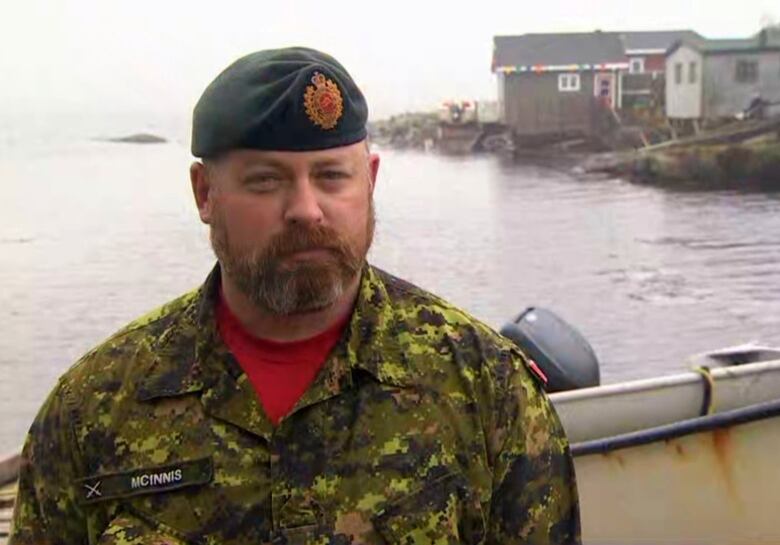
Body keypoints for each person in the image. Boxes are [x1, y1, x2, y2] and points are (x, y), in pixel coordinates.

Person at [10, 47, 580, 544]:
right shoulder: (95, 410)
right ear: (205, 193)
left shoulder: (483, 388)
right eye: (266, 180)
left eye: (332, 176)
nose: (306, 209)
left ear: (371, 182)